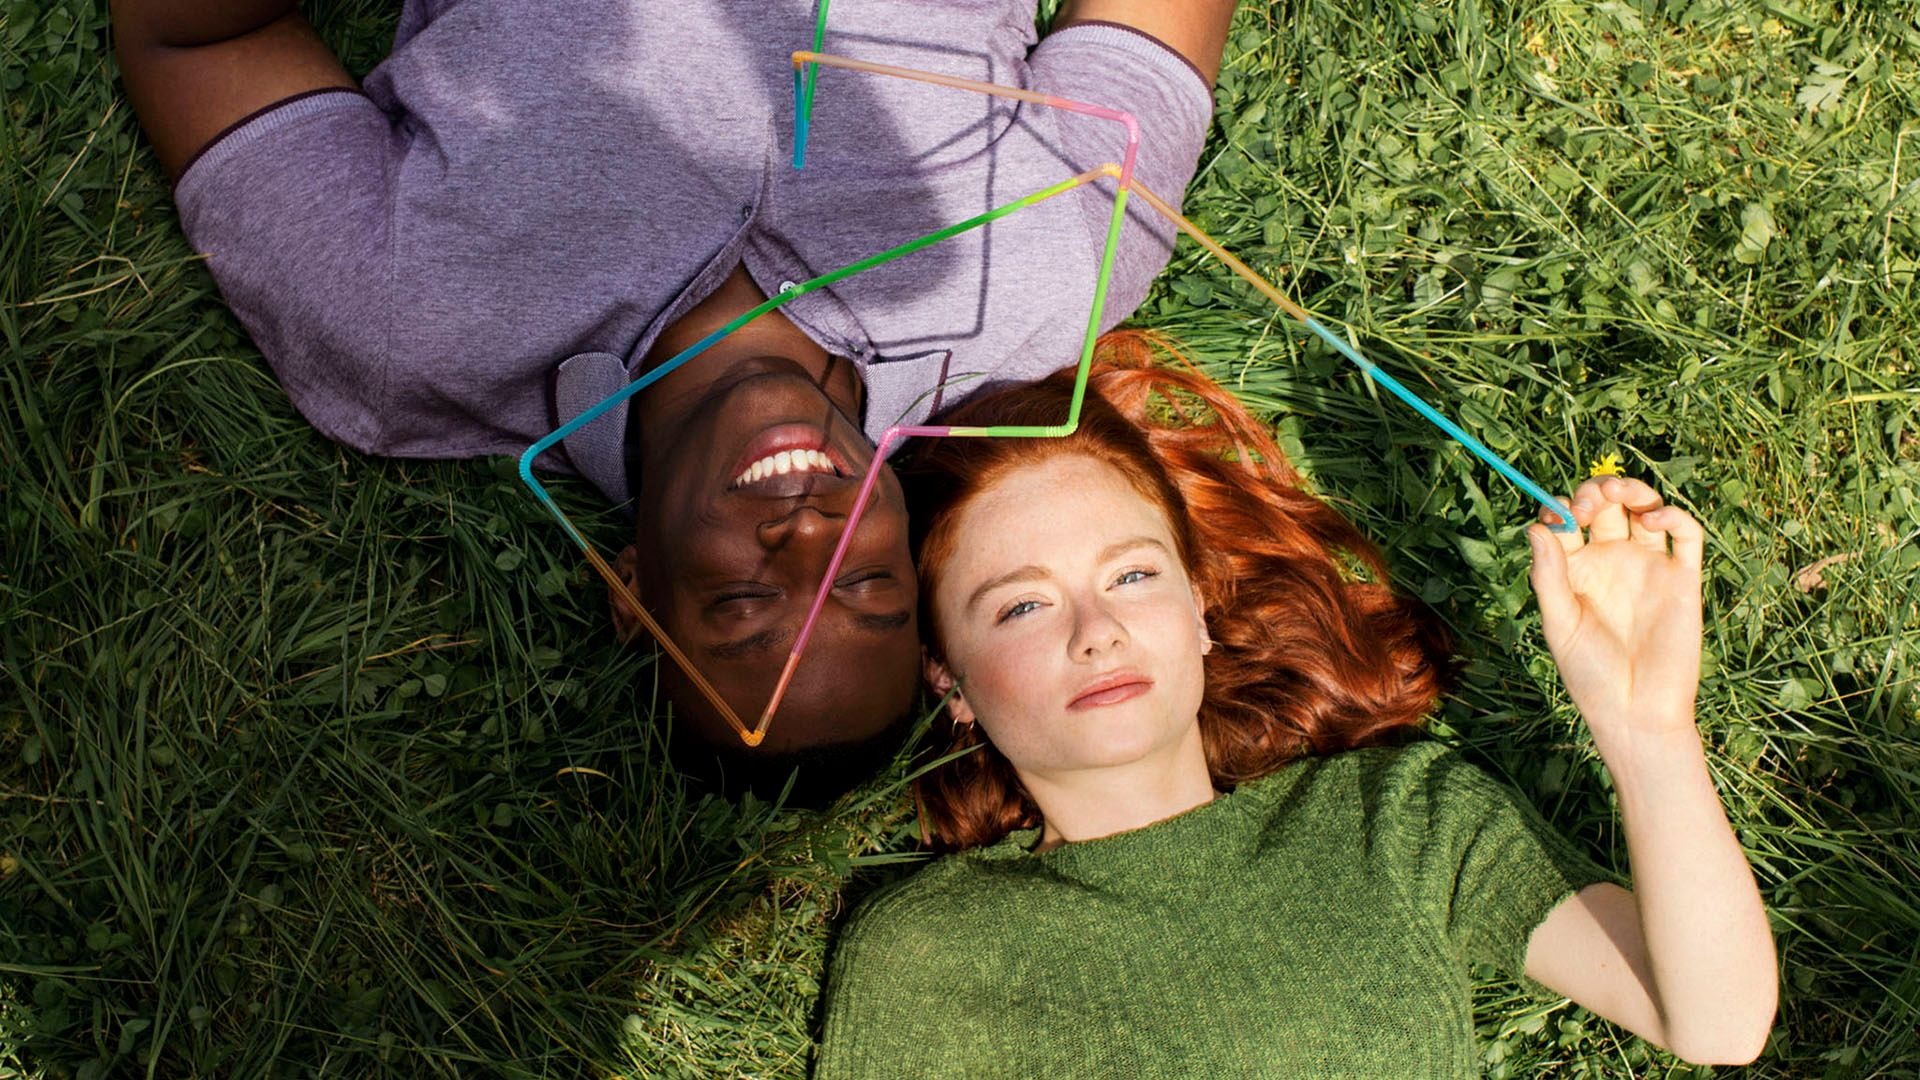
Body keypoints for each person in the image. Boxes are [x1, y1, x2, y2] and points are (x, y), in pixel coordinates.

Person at [108, 0, 1238, 781]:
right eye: (870, 586)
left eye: (745, 606)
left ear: (635, 586)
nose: (807, 538)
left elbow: (199, 37)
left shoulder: (409, 332)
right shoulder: (1052, 269)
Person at [814, 335, 1777, 1075]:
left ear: (1199, 610)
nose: (1095, 629)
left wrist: (1646, 725)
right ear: (949, 679)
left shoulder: (1395, 820)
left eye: (1134, 575)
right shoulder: (928, 954)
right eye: (1022, 604)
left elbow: (1716, 1021)